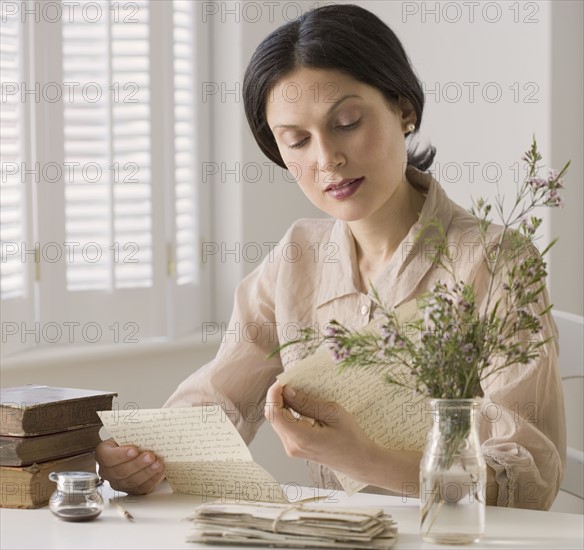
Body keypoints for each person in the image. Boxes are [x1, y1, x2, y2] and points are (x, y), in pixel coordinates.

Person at [96, 4, 565, 510]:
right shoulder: (298, 257)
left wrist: (367, 458)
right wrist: (140, 456)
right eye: (296, 140)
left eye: (346, 122)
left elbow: (530, 473)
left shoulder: (494, 262)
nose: (326, 159)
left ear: (404, 110)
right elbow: (219, 397)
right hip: (335, 536)